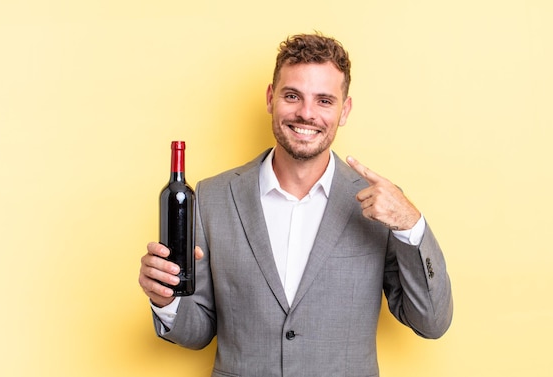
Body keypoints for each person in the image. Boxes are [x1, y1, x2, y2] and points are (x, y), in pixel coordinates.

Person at [139, 32, 453, 377]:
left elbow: (431, 322)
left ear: (344, 110)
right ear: (271, 97)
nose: (306, 114)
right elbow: (198, 331)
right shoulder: (213, 197)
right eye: (292, 96)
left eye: (324, 101)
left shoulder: (382, 205)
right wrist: (167, 301)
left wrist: (411, 224)